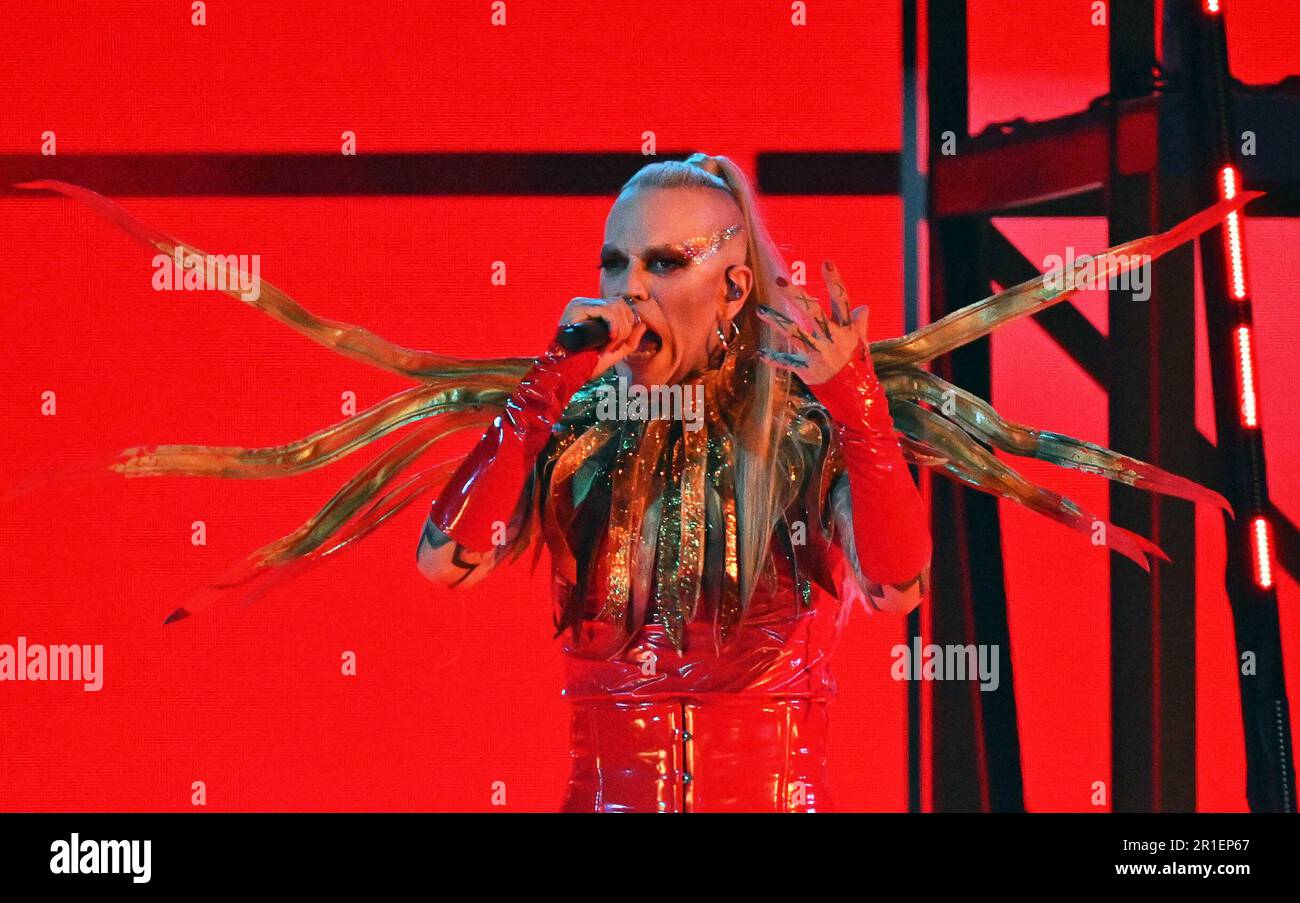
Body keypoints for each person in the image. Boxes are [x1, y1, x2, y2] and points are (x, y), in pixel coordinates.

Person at [18, 155, 1251, 813]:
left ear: (730, 283)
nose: (628, 284)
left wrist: (861, 413)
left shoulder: (805, 427)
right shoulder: (571, 421)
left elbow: (896, 585)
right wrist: (539, 395)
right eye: (615, 259)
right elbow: (444, 559)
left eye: (661, 260)